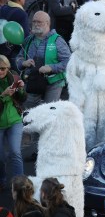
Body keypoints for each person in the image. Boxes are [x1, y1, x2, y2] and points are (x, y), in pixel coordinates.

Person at [15, 11, 70, 160]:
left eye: (40, 22)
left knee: (48, 116)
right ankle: (37, 147)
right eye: (34, 22)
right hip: (33, 83)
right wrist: (22, 63)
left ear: (48, 24)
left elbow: (68, 61)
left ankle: (46, 151)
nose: (36, 24)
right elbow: (19, 57)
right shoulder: (28, 40)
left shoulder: (57, 40)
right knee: (31, 115)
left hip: (54, 83)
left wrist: (51, 67)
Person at [0, 54, 26, 191]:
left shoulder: (13, 77)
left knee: (15, 152)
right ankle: (1, 179)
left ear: (8, 68)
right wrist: (3, 96)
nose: (0, 71)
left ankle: (20, 186)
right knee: (0, 156)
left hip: (15, 120)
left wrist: (21, 88)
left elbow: (22, 99)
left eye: (3, 68)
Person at [0, 0, 29, 72]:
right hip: (14, 53)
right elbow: (25, 37)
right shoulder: (21, 14)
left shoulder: (3, 8)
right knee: (16, 75)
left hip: (2, 49)